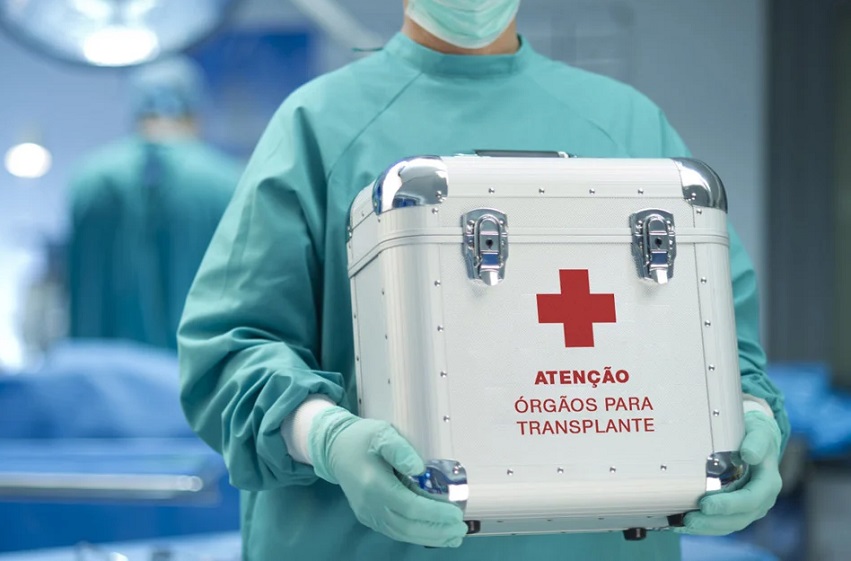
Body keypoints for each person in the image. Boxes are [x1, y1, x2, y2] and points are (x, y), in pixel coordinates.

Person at [178, 1, 790, 559]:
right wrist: (328, 439)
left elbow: (722, 350)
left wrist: (753, 422)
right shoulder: (319, 125)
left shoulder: (629, 125)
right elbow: (230, 353)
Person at [67, 57, 242, 351]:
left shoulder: (90, 181)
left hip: (102, 375)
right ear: (196, 114)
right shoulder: (227, 184)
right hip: (197, 376)